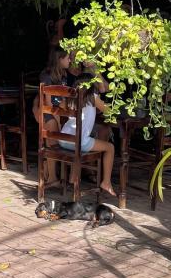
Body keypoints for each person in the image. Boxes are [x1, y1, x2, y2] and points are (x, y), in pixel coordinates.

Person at [59, 76, 117, 199]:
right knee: (110, 148)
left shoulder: (70, 97)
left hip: (63, 139)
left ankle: (73, 179)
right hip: (79, 142)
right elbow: (109, 112)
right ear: (92, 87)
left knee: (78, 144)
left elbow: (61, 105)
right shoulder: (93, 97)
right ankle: (106, 182)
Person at [33, 46, 78, 187]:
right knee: (53, 139)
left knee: (64, 133)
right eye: (68, 58)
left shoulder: (63, 75)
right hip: (47, 112)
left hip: (57, 112)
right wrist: (58, 117)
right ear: (59, 59)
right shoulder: (46, 75)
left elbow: (62, 99)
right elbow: (48, 102)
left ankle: (51, 173)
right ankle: (52, 177)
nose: (70, 60)